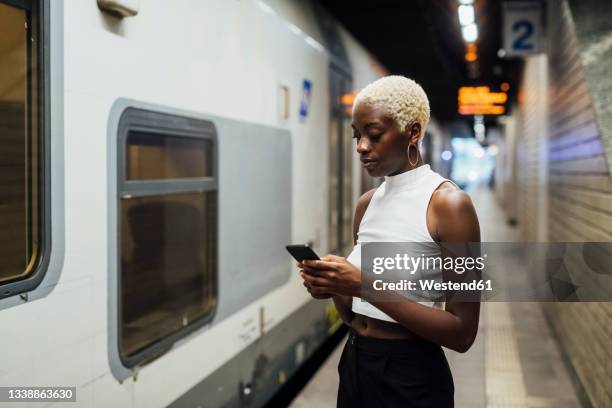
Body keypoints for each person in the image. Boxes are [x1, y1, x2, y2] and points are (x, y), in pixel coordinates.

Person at [299, 75, 481, 408]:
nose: (361, 147)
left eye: (374, 134)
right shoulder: (367, 204)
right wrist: (334, 287)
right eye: (357, 135)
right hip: (355, 361)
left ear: (412, 132)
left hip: (411, 376)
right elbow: (354, 315)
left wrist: (364, 285)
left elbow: (463, 332)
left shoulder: (451, 206)